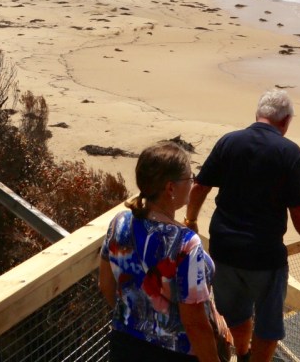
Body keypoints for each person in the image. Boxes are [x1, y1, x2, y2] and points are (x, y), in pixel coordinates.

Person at [184, 89, 300, 362]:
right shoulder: (289, 152)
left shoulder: (229, 142)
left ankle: (243, 353)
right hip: (264, 255)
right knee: (269, 326)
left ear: (257, 114)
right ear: (285, 121)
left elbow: (199, 187)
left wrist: (191, 220)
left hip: (225, 248)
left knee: (235, 313)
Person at [99, 141, 232, 362]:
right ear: (170, 188)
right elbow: (195, 324)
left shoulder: (119, 222)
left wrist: (135, 319)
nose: (192, 183)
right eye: (189, 179)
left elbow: (105, 284)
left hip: (124, 346)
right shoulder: (185, 243)